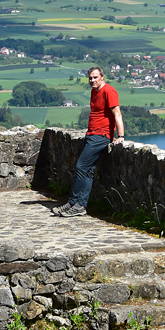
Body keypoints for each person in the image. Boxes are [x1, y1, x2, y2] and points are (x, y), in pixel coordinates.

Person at [53, 66, 125, 217]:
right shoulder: (94, 91)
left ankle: (77, 204)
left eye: (95, 77)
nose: (92, 80)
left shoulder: (109, 91)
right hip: (92, 134)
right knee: (88, 170)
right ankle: (74, 204)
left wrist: (121, 136)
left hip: (101, 135)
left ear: (102, 77)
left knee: (81, 166)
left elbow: (117, 113)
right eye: (90, 78)